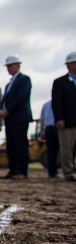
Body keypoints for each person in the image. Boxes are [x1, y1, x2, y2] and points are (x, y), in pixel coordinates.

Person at [0, 55, 32, 179]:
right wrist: (2, 111)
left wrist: (8, 110)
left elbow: (21, 98)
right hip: (10, 119)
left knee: (20, 144)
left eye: (10, 66)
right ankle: (13, 169)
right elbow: (5, 100)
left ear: (18, 65)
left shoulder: (24, 80)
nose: (8, 68)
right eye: (7, 66)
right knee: (11, 145)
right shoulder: (8, 85)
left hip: (20, 117)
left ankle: (22, 171)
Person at [51, 51, 76, 181]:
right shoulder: (60, 82)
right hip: (67, 121)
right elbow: (57, 102)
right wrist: (59, 118)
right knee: (67, 148)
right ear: (69, 65)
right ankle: (68, 172)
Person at [40, 100, 59, 178]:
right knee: (60, 150)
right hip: (58, 127)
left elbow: (42, 119)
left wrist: (42, 130)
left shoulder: (46, 105)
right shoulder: (60, 103)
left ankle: (52, 172)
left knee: (50, 151)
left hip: (48, 128)